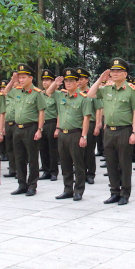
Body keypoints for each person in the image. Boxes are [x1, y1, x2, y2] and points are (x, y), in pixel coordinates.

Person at [87, 58, 135, 206]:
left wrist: (134, 132)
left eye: (118, 71)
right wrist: (100, 79)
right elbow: (90, 94)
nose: (115, 73)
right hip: (109, 131)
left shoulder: (131, 90)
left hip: (124, 130)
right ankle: (114, 192)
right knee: (111, 163)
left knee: (124, 164)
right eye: (113, 71)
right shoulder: (106, 89)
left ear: (125, 74)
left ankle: (124, 194)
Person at [46, 68, 94, 201]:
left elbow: (86, 118)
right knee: (65, 163)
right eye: (66, 81)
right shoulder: (61, 95)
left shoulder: (83, 98)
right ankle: (67, 189)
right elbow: (48, 92)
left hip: (75, 134)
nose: (68, 83)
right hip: (63, 133)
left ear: (77, 82)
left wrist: (84, 136)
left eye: (71, 81)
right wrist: (56, 83)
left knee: (78, 164)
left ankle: (78, 190)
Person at [6, 63, 46, 196]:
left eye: (24, 77)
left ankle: (32, 185)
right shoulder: (16, 91)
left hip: (31, 128)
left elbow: (41, 112)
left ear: (30, 78)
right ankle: (22, 184)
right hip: (18, 128)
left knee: (32, 158)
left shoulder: (37, 93)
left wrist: (39, 129)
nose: (21, 80)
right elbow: (5, 92)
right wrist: (13, 80)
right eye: (20, 77)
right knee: (19, 157)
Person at [77, 67, 98, 184]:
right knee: (78, 151)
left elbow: (98, 109)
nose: (79, 81)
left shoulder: (92, 93)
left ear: (87, 80)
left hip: (90, 123)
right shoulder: (75, 94)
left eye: (81, 79)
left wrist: (97, 125)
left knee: (89, 151)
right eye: (77, 79)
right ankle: (81, 173)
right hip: (77, 125)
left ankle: (90, 174)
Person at [39, 69, 59, 181]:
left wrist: (57, 128)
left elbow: (60, 112)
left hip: (52, 123)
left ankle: (54, 172)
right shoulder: (40, 94)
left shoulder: (57, 95)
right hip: (42, 124)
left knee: (52, 149)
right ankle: (46, 171)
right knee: (43, 149)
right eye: (44, 80)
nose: (45, 82)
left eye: (48, 80)